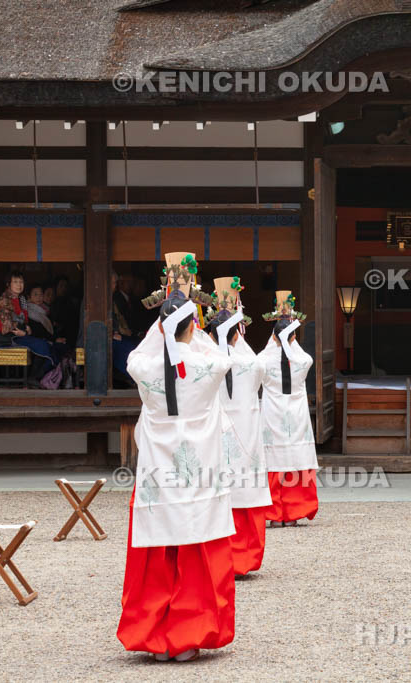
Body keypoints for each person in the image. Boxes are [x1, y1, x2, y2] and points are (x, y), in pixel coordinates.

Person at [118, 280, 236, 663]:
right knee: (196, 549)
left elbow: (137, 355)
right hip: (198, 471)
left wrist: (166, 320)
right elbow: (219, 355)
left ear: (160, 329)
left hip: (157, 474)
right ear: (193, 328)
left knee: (158, 552)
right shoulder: (208, 365)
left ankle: (154, 635)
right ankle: (190, 634)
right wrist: (189, 325)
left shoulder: (145, 369)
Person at [206, 277, 272, 576]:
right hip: (245, 429)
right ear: (238, 332)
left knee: (218, 492)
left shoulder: (204, 359)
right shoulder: (250, 360)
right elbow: (260, 374)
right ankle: (244, 558)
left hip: (215, 432)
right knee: (246, 492)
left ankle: (218, 557)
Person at [259, 290, 318, 527]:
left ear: (274, 337)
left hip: (272, 413)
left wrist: (276, 341)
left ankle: (274, 513)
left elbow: (259, 360)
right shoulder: (303, 361)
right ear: (293, 337)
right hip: (296, 414)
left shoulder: (263, 360)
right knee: (296, 458)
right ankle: (294, 512)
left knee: (273, 461)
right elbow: (302, 356)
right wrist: (289, 340)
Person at [0, 270, 57, 381]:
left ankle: (37, 377)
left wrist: (27, 329)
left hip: (20, 334)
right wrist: (24, 330)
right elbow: (6, 326)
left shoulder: (21, 299)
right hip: (8, 338)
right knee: (42, 345)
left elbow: (24, 321)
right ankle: (34, 378)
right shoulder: (4, 300)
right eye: (15, 282)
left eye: (21, 282)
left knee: (46, 344)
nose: (19, 285)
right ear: (8, 284)